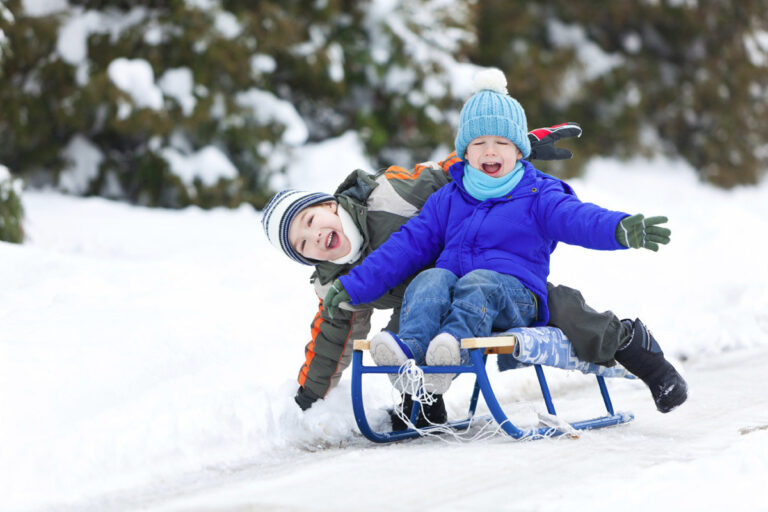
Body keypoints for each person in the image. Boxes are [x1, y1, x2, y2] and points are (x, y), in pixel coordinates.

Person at [320, 69, 687, 410]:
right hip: (456, 298)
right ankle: (416, 372)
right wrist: (354, 285)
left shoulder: (537, 194)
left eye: (501, 142)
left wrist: (618, 228)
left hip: (513, 295)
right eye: (478, 142)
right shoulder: (449, 197)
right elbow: (405, 246)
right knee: (427, 279)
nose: (490, 151)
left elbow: (576, 218)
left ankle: (450, 354)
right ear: (465, 151)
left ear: (518, 150)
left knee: (502, 288)